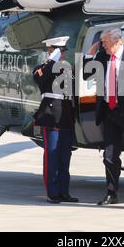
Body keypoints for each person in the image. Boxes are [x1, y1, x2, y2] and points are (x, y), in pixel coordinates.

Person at [84, 28, 124, 205]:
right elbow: (86, 74)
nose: (103, 46)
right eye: (102, 42)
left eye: (105, 42)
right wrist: (89, 54)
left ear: (118, 41)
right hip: (109, 112)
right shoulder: (102, 56)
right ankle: (111, 192)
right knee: (109, 155)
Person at [33, 36, 78, 204]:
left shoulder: (67, 69)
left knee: (64, 158)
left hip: (65, 118)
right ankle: (52, 193)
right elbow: (39, 78)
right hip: (50, 117)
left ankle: (64, 192)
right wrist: (51, 61)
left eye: (64, 51)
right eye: (60, 51)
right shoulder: (43, 68)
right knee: (52, 157)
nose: (63, 54)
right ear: (51, 51)